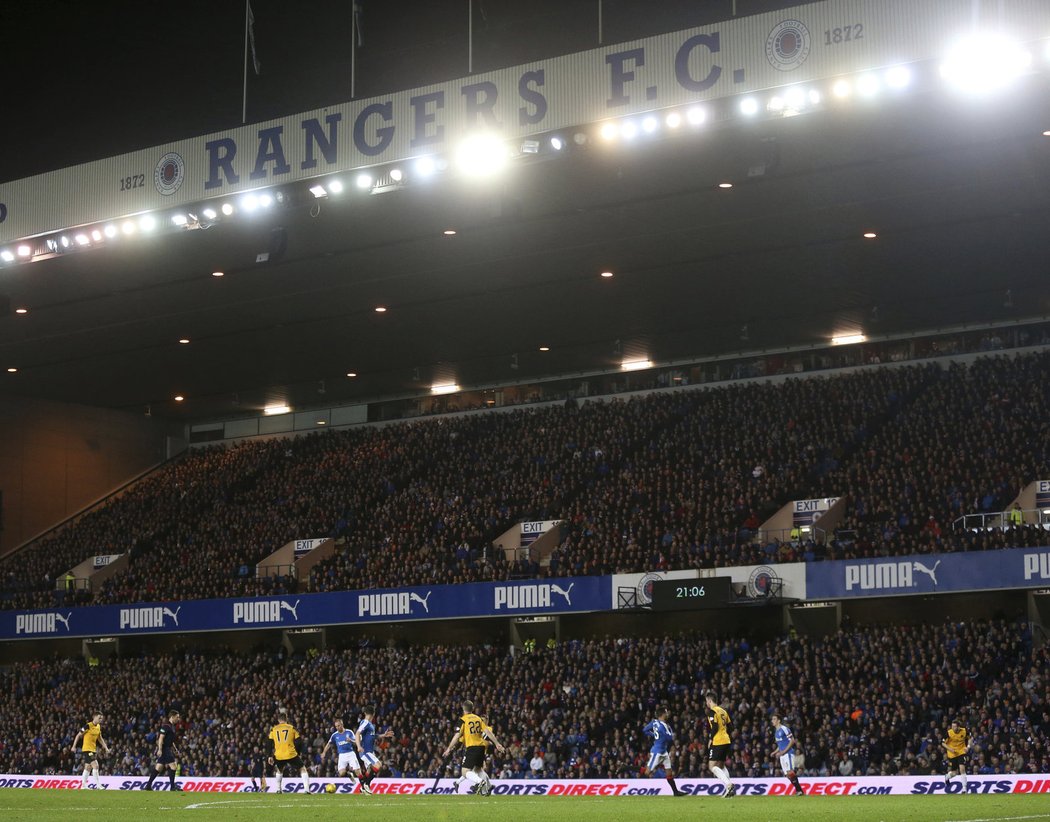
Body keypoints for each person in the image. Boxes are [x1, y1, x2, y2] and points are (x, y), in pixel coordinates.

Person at [443, 699, 505, 796]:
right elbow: (488, 732)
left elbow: (457, 736)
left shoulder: (463, 720)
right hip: (481, 748)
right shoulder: (478, 718)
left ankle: (479, 782)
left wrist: (448, 748)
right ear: (473, 709)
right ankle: (486, 789)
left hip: (472, 748)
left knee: (465, 772)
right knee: (478, 770)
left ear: (463, 709)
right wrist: (497, 743)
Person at [641, 705, 685, 796]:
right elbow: (669, 738)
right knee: (647, 772)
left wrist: (654, 735)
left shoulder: (654, 722)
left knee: (669, 772)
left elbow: (645, 730)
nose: (667, 713)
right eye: (666, 712)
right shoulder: (664, 726)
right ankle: (625, 767)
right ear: (662, 714)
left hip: (664, 752)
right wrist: (670, 729)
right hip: (657, 752)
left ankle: (675, 792)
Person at [269, 709, 311, 793]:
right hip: (291, 753)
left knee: (279, 770)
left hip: (279, 754)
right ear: (286, 719)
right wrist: (298, 752)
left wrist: (270, 755)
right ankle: (306, 790)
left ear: (278, 720)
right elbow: (299, 741)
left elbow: (269, 743)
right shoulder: (291, 728)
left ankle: (278, 789)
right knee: (302, 768)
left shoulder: (273, 729)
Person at [354, 705, 393, 794]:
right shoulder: (365, 722)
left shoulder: (371, 725)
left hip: (370, 751)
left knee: (370, 770)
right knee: (378, 765)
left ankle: (363, 788)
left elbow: (372, 736)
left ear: (364, 713)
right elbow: (357, 733)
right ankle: (366, 784)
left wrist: (383, 735)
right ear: (374, 714)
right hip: (365, 751)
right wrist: (359, 746)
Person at [705, 693, 736, 797]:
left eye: (707, 701)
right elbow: (731, 727)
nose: (707, 704)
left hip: (718, 741)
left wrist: (710, 739)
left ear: (709, 701)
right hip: (726, 740)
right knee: (721, 766)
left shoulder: (712, 712)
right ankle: (729, 791)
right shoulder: (723, 711)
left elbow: (714, 727)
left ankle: (728, 784)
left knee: (712, 766)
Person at [144, 710, 181, 791]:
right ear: (172, 717)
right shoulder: (166, 726)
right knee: (174, 766)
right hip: (165, 749)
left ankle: (148, 785)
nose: (178, 719)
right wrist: (160, 749)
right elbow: (161, 738)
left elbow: (171, 740)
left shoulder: (172, 727)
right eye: (177, 717)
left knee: (159, 767)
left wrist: (175, 749)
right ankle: (172, 787)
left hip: (167, 748)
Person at [71, 711, 109, 789]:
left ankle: (83, 785)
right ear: (94, 717)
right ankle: (98, 785)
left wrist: (106, 747)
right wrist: (73, 746)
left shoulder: (98, 727)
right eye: (99, 718)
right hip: (87, 749)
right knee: (96, 765)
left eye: (101, 718)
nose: (101, 720)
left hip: (93, 750)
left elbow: (100, 738)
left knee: (88, 767)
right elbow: (78, 735)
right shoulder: (87, 726)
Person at [321, 717, 361, 789]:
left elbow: (356, 742)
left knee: (357, 772)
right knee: (341, 773)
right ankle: (349, 775)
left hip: (350, 753)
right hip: (342, 755)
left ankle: (363, 787)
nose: (337, 727)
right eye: (336, 726)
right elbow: (329, 744)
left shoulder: (349, 732)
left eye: (338, 725)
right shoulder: (334, 735)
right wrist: (324, 752)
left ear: (342, 725)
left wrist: (351, 741)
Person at [770, 714, 804, 796]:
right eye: (772, 719)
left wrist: (783, 752)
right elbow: (780, 744)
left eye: (774, 719)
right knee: (787, 775)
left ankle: (799, 790)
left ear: (779, 720)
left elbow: (792, 741)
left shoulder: (784, 729)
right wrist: (775, 752)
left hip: (788, 753)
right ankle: (799, 790)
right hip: (782, 755)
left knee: (790, 772)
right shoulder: (776, 732)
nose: (772, 721)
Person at [943, 717, 972, 788]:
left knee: (962, 769)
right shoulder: (949, 733)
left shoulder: (964, 730)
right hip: (952, 754)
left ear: (958, 727)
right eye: (952, 726)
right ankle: (947, 777)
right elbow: (943, 743)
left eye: (954, 726)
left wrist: (968, 747)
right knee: (955, 773)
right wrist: (950, 749)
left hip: (961, 752)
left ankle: (964, 789)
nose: (953, 728)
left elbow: (970, 738)